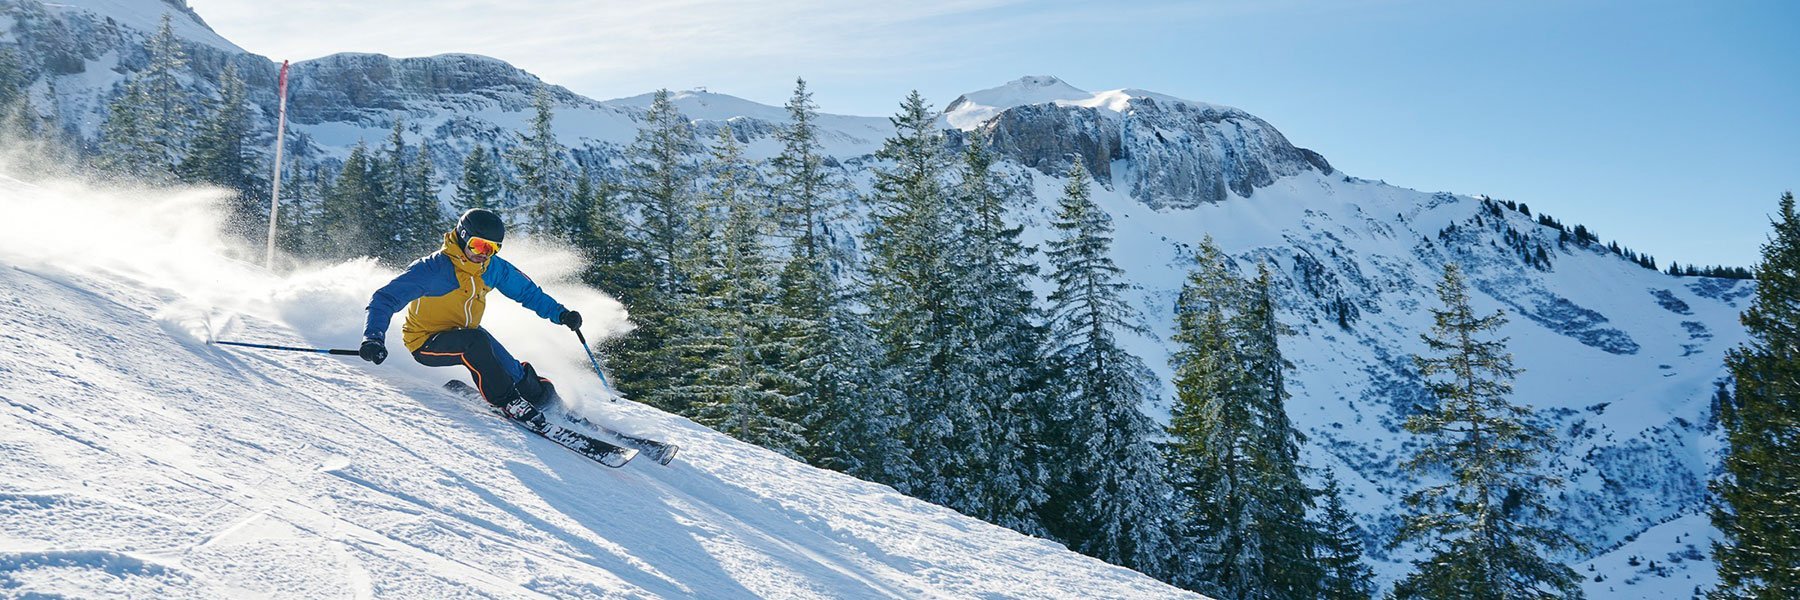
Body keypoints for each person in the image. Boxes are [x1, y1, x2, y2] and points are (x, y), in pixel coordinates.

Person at [359, 208, 582, 424]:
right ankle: (508, 401)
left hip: (467, 333)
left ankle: (543, 399)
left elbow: (527, 292)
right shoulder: (433, 270)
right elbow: (384, 299)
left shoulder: (492, 268)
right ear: (463, 238)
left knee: (513, 371)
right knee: (476, 343)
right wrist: (373, 338)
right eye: (478, 246)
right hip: (426, 341)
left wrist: (561, 314)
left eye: (492, 248)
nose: (483, 254)